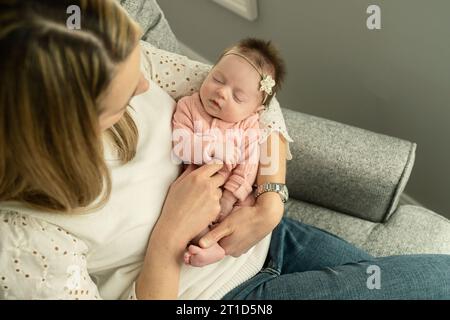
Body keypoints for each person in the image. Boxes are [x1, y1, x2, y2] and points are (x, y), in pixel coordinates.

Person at [0, 0, 449, 300]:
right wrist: (168, 240)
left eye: (139, 60)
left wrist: (270, 202)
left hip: (270, 237)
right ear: (58, 133)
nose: (144, 84)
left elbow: (257, 104)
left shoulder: (104, 48)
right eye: (118, 104)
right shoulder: (24, 244)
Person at [172, 38, 286, 267]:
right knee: (194, 217)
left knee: (247, 208)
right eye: (217, 79)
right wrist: (210, 148)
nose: (221, 92)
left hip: (237, 193)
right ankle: (205, 245)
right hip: (197, 188)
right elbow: (180, 145)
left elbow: (248, 167)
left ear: (256, 109)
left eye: (238, 97)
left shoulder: (248, 127)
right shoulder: (189, 106)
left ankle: (220, 250)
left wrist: (230, 197)